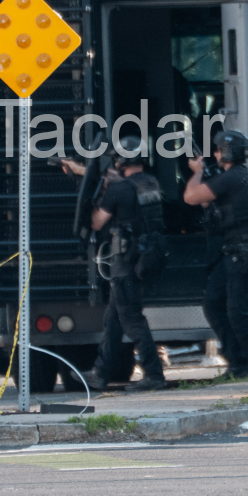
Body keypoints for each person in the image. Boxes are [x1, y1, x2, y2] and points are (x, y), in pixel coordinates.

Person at [59, 150, 169, 391]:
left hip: (126, 263)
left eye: (117, 159)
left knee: (132, 319)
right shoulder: (150, 183)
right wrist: (83, 171)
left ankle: (154, 374)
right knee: (113, 320)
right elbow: (123, 184)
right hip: (143, 256)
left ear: (123, 162)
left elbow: (96, 222)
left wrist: (92, 196)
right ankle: (101, 372)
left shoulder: (119, 191)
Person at [182, 129, 248, 379]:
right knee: (214, 303)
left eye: (219, 150)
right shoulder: (240, 177)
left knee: (237, 311)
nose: (215, 154)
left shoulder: (232, 178)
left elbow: (190, 197)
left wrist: (197, 172)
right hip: (235, 251)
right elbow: (209, 201)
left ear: (228, 152)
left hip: (240, 252)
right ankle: (237, 362)